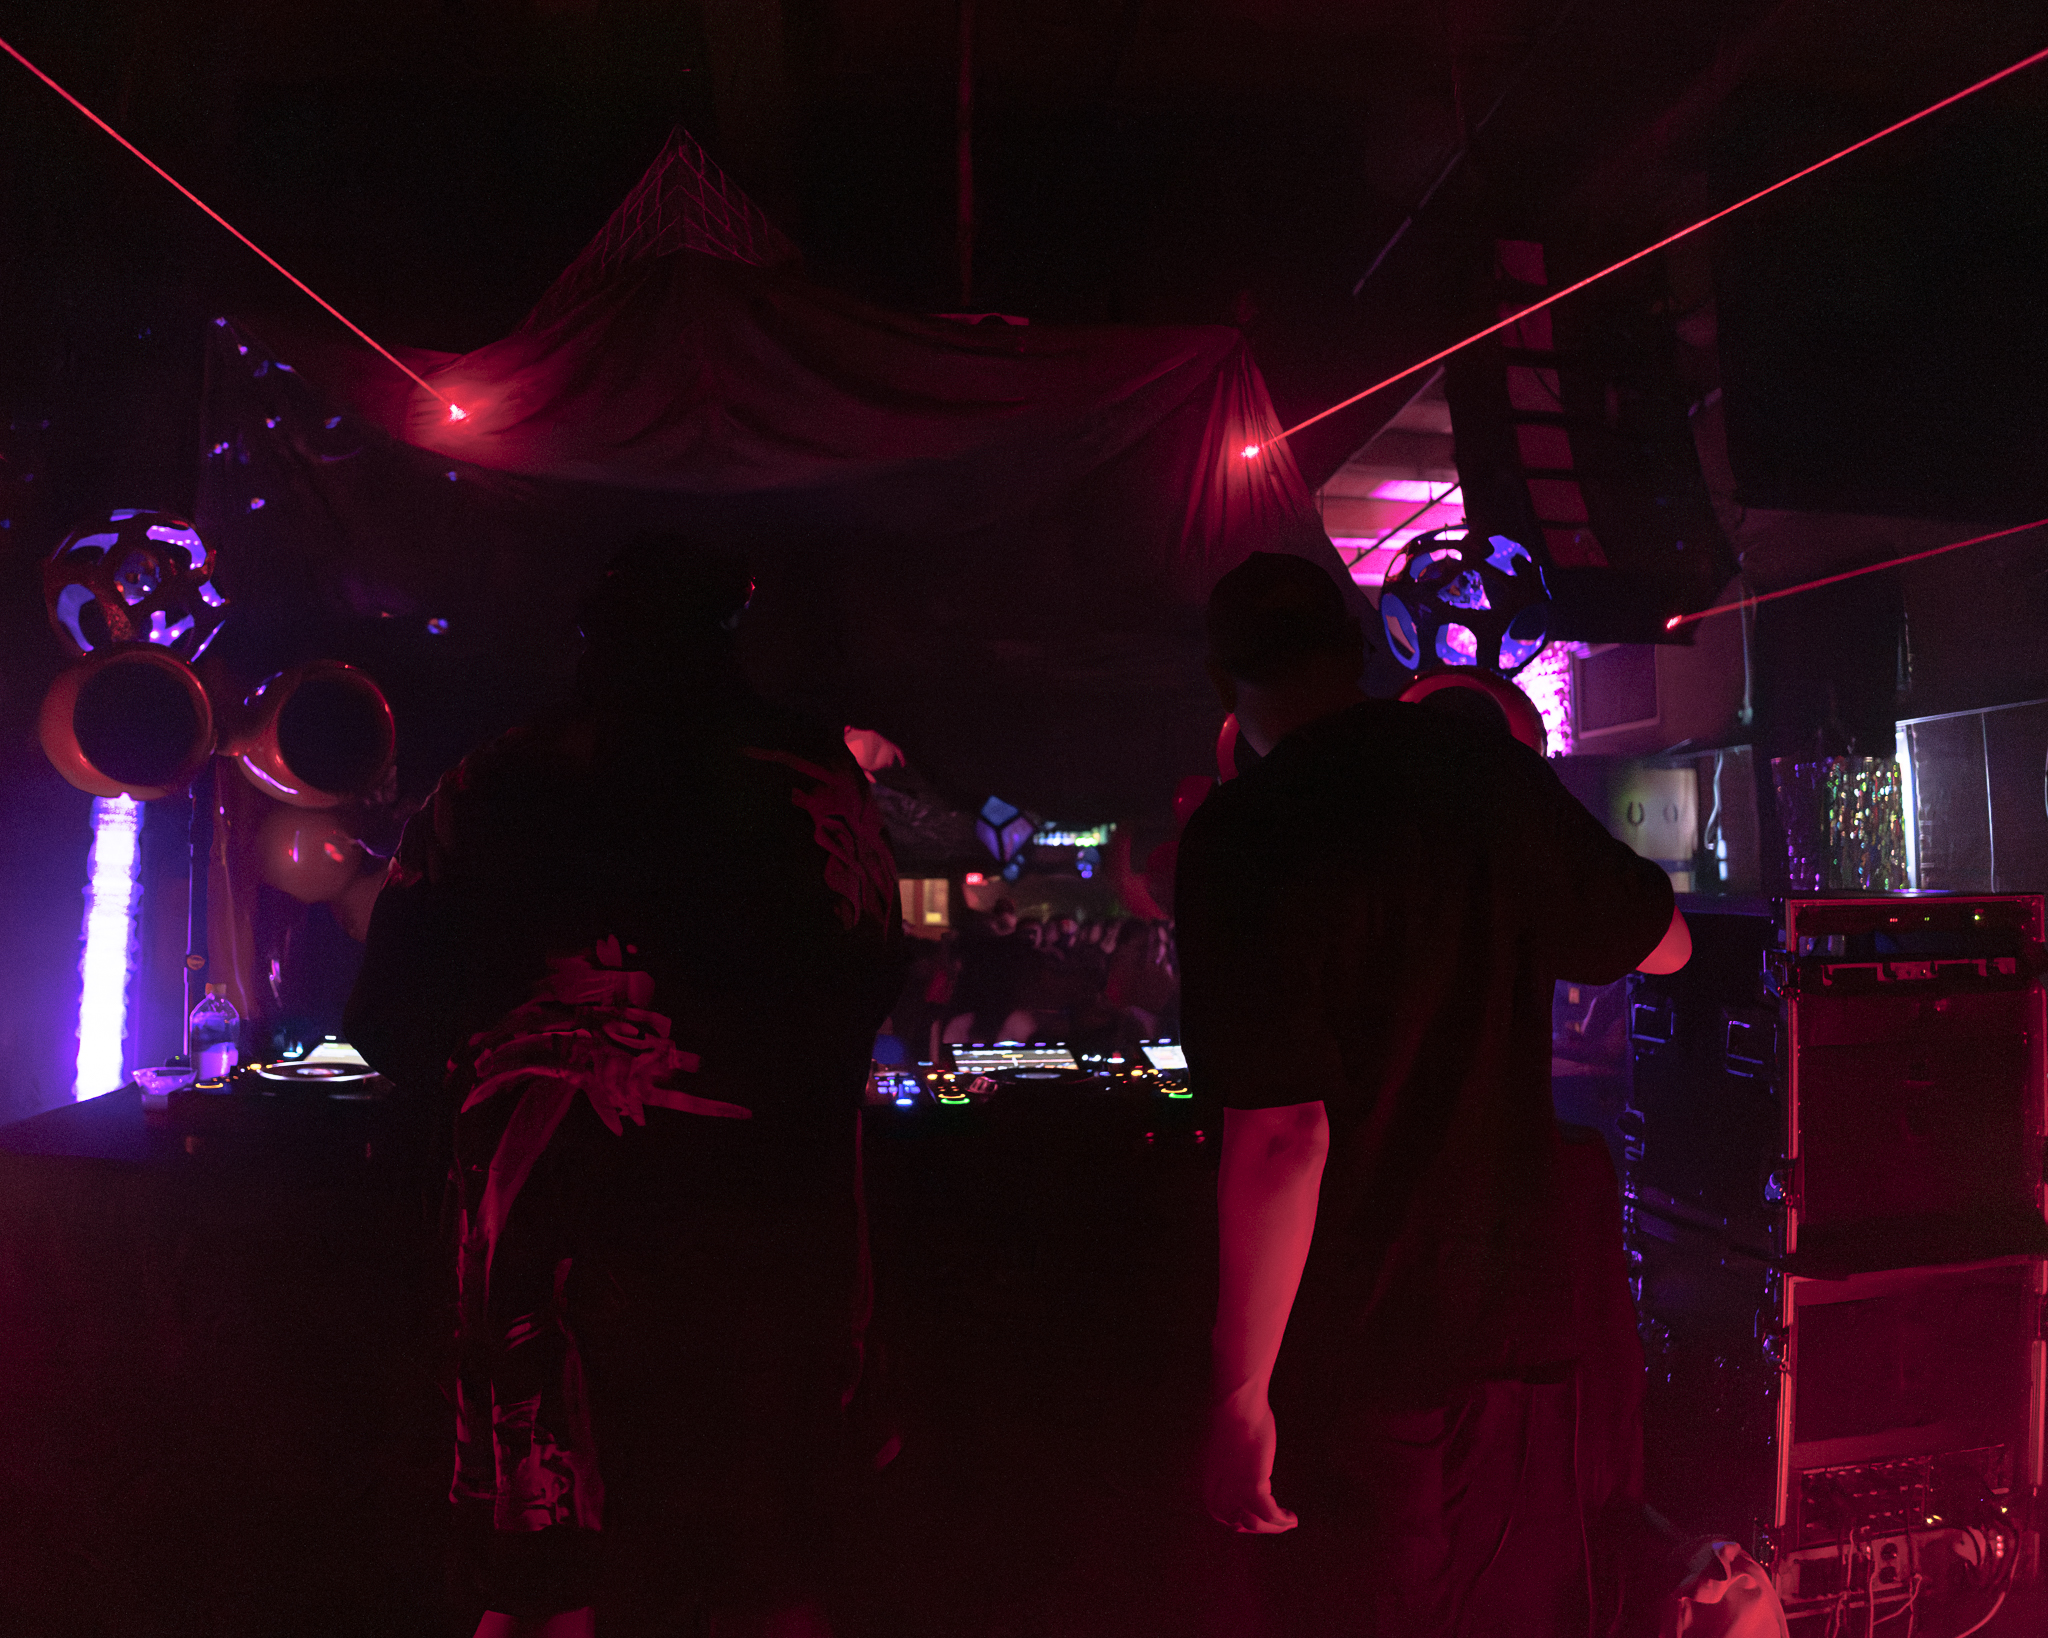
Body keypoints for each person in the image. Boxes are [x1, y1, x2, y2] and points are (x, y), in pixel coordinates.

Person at [346, 536, 905, 1638]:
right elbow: (861, 983)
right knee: (760, 1559)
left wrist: (520, 1066)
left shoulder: (493, 778)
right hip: (759, 1229)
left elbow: (387, 1016)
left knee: (544, 1564)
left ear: (588, 636)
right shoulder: (806, 775)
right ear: (729, 629)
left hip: (541, 1224)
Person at [1176, 552, 1689, 1638]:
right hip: (1516, 1331)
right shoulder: (1480, 771)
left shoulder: (1244, 832)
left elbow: (1283, 1135)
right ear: (1357, 651)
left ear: (1225, 685)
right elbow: (1667, 945)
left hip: (1359, 1342)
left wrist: (1236, 1395)